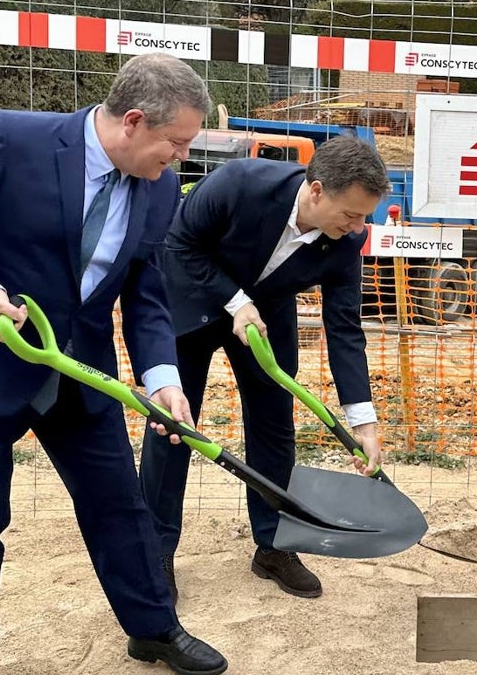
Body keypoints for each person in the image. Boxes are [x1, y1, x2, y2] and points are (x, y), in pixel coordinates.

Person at [0, 54, 227, 675]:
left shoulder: (157, 191)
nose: (180, 159)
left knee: (118, 504)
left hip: (79, 373)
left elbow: (146, 291)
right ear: (132, 122)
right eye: (175, 143)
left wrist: (163, 379)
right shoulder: (9, 140)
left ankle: (153, 629)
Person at [139, 135, 390, 600]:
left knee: (275, 428)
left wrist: (364, 422)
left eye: (365, 217)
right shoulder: (240, 183)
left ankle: (273, 545)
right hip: (192, 302)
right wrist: (235, 302)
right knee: (173, 426)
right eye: (351, 214)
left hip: (266, 320)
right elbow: (179, 245)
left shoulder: (344, 243)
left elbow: (345, 329)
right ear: (317, 190)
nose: (358, 227)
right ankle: (154, 552)